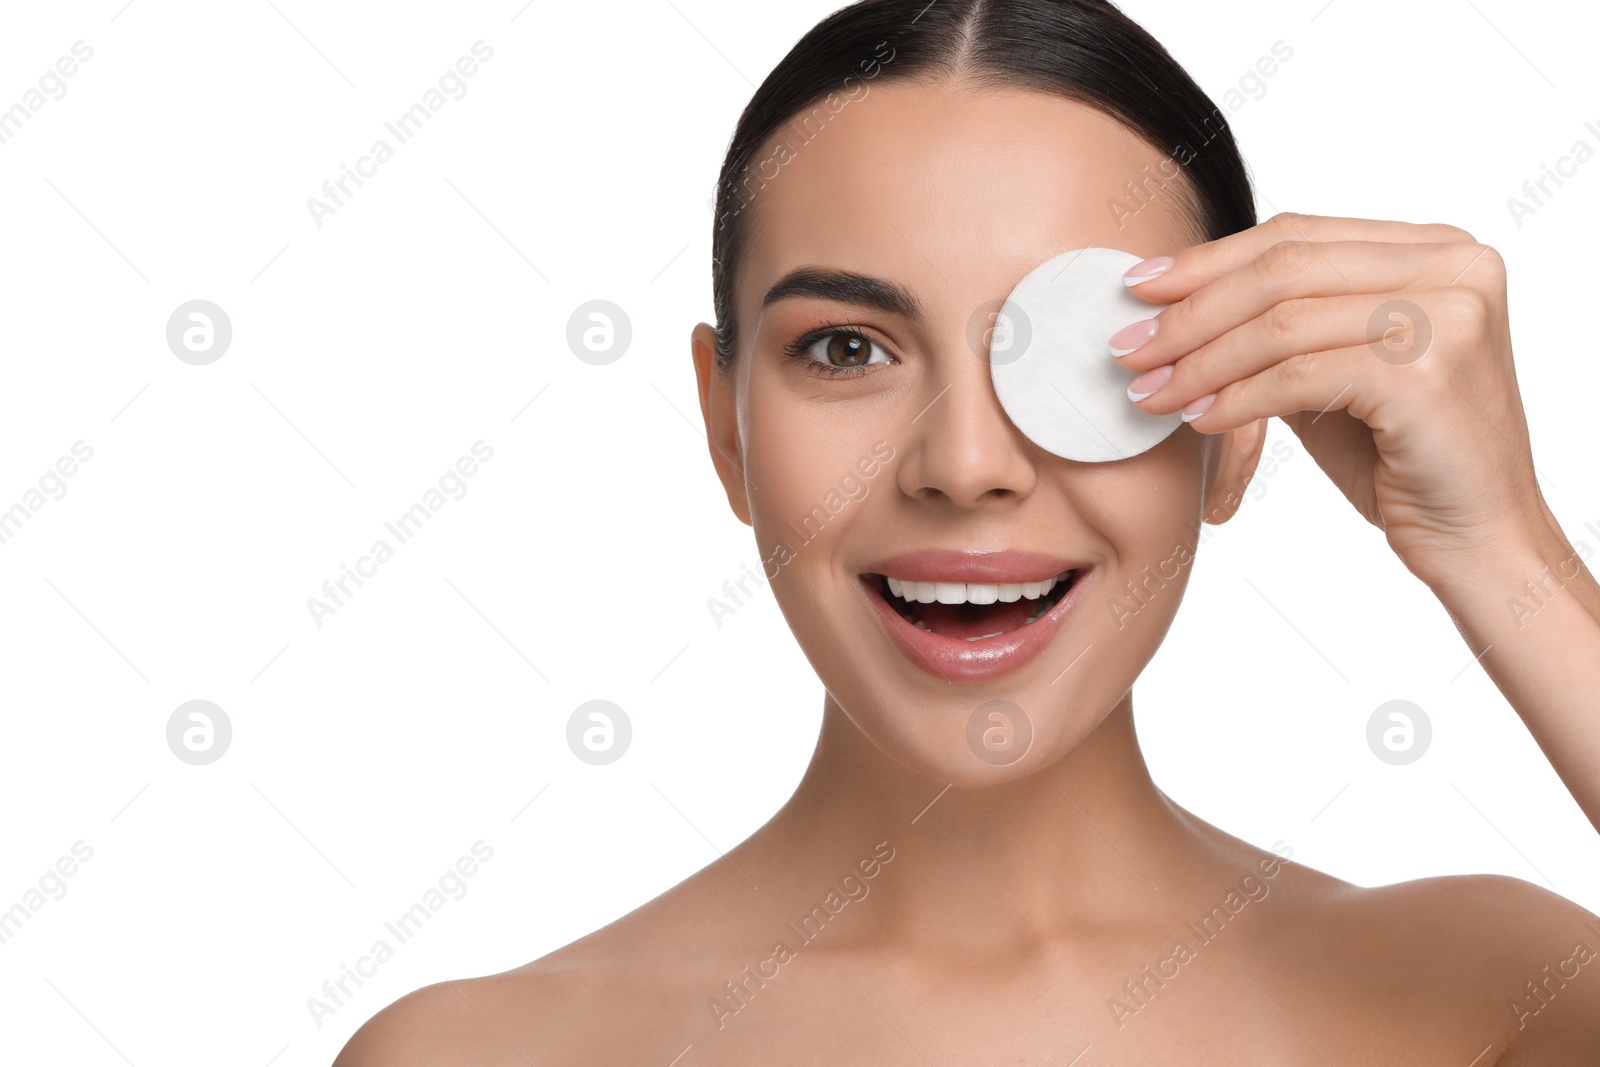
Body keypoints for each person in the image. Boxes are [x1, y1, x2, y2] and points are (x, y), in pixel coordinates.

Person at [335, 1, 1600, 1061]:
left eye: (1080, 354)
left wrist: (1501, 547)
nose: (966, 465)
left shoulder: (1493, 1003)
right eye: (846, 348)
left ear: (1237, 431)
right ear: (725, 427)